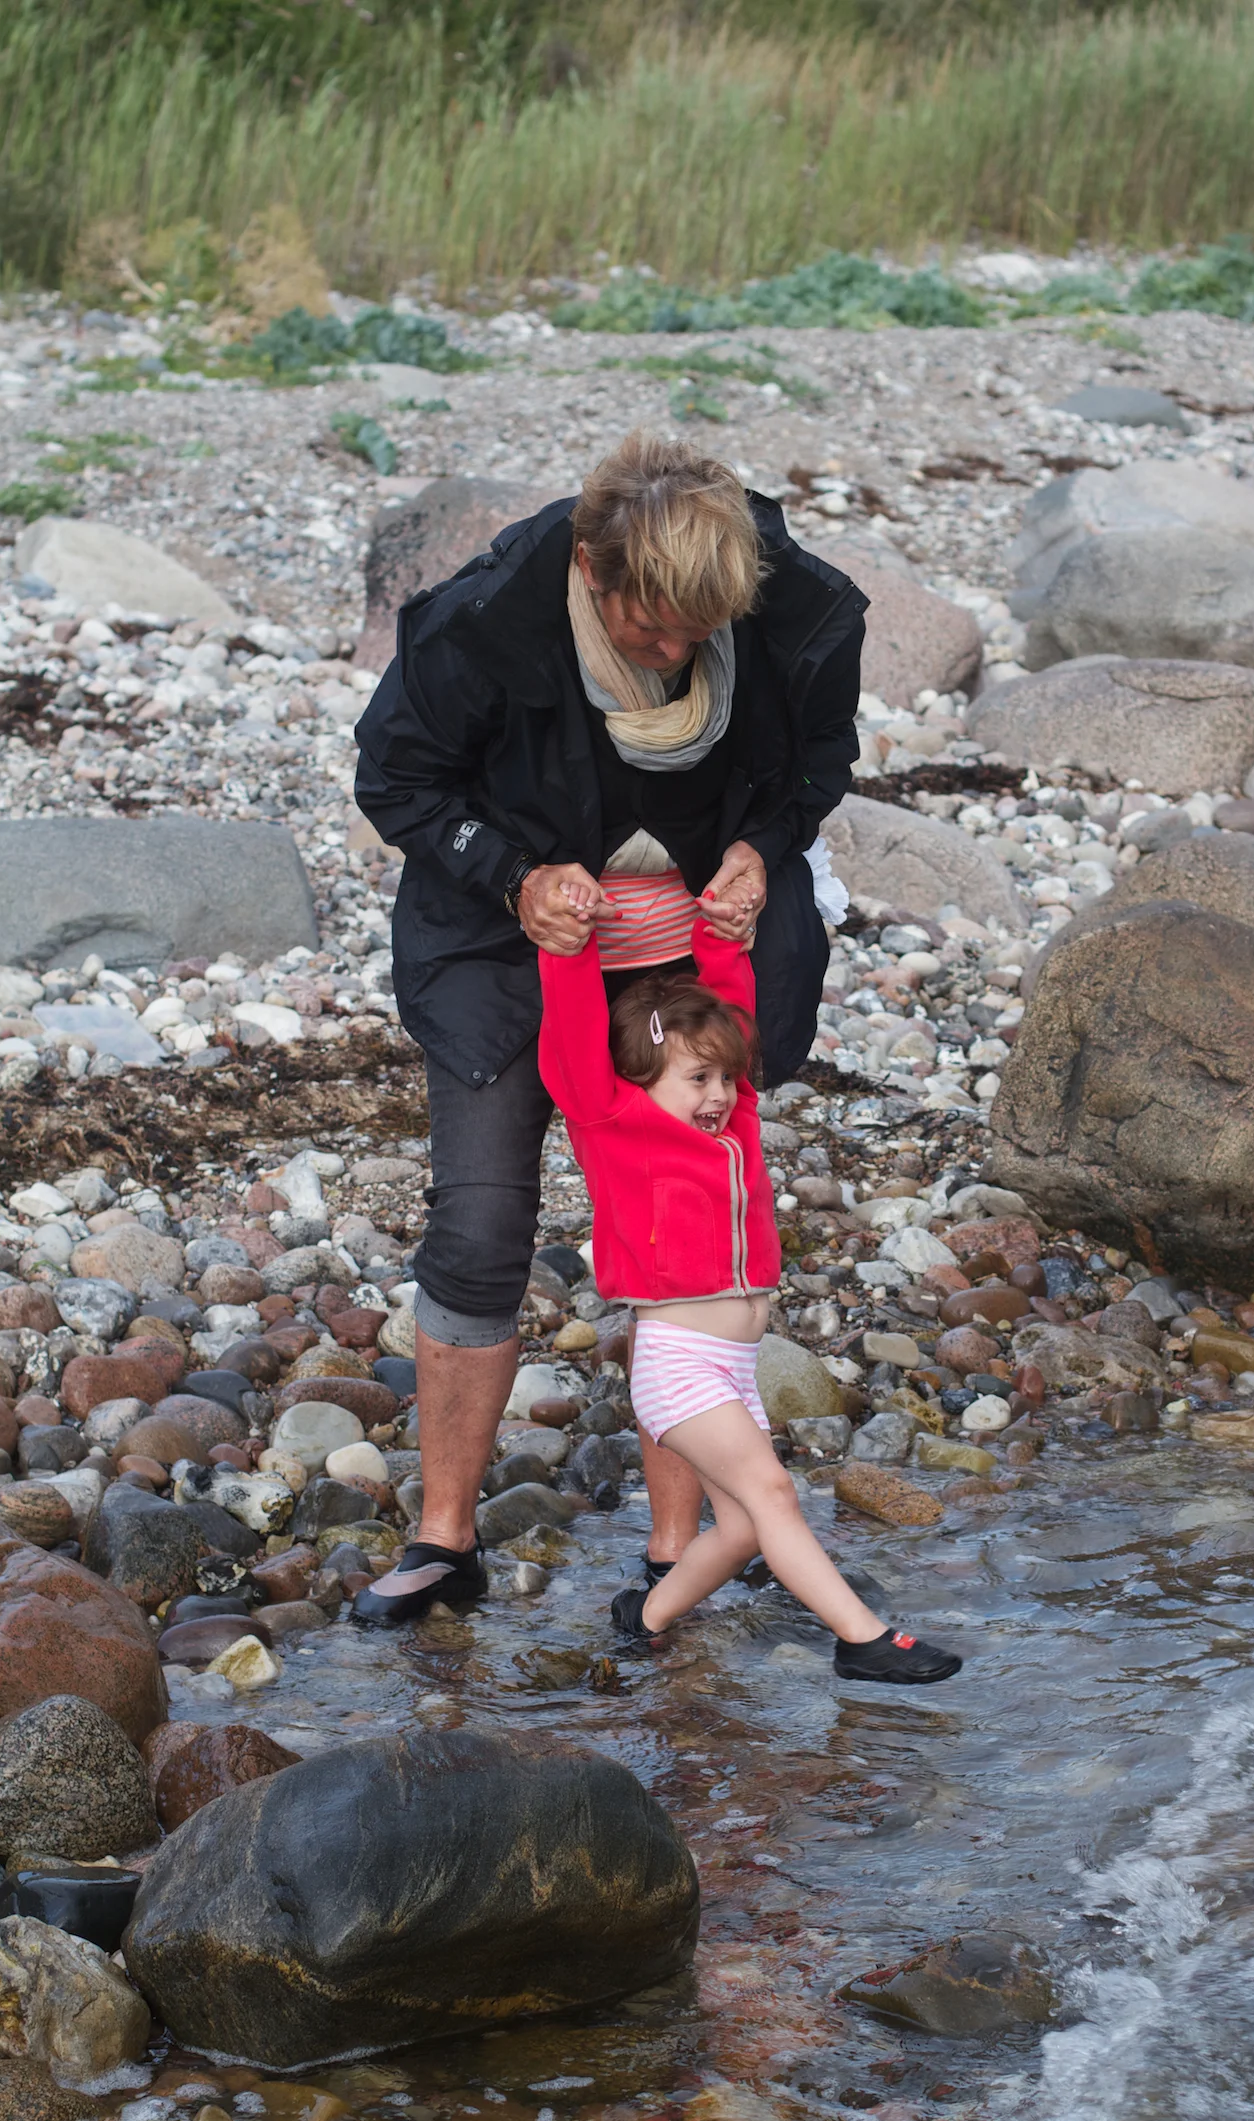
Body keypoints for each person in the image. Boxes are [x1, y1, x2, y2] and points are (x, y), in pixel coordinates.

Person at [351, 430, 868, 1623]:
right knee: (481, 1224)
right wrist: (515, 875)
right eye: (653, 629)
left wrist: (761, 848)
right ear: (593, 569)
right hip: (507, 941)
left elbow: (821, 759)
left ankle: (670, 1552)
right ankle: (444, 1541)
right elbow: (398, 782)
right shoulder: (486, 627)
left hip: (694, 954)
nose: (679, 650)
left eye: (702, 632)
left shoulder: (792, 613)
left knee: (688, 1239)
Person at [537, 914, 962, 1683]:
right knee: (771, 1491)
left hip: (732, 1364)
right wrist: (568, 950)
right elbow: (571, 1038)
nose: (718, 1096)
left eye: (727, 1079)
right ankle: (861, 1639)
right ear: (640, 1080)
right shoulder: (614, 1124)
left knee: (738, 1528)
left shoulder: (734, 1126)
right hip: (677, 1364)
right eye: (697, 1080)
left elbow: (730, 1010)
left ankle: (647, 1617)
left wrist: (722, 940)